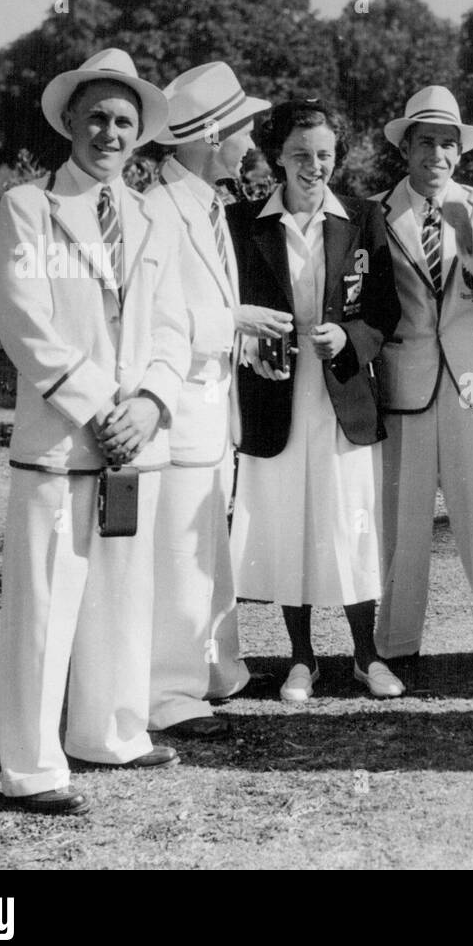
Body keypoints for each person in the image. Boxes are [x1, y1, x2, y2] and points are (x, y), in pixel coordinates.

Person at [0, 48, 190, 815]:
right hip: (61, 441)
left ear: (140, 136)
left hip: (133, 440)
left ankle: (110, 731)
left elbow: (173, 329)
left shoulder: (150, 215)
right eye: (98, 118)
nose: (109, 133)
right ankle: (33, 767)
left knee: (122, 595)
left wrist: (148, 406)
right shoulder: (28, 207)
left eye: (124, 122)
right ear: (70, 121)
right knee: (44, 603)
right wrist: (100, 406)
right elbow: (25, 325)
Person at [227, 95, 403, 701]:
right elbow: (227, 307)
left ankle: (366, 655)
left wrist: (348, 336)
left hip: (343, 396)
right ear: (277, 155)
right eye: (301, 154)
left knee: (350, 523)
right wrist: (246, 340)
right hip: (274, 396)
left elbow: (386, 313)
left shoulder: (362, 217)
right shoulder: (241, 224)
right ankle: (300, 660)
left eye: (324, 154)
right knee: (288, 524)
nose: (314, 166)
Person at [142, 62, 288, 740]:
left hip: (213, 411)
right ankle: (169, 694)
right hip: (178, 415)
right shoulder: (156, 210)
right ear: (208, 134)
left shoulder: (204, 202)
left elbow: (208, 306)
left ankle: (217, 667)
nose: (253, 135)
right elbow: (154, 318)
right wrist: (234, 323)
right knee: (178, 553)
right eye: (243, 126)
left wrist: (240, 337)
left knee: (208, 548)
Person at [371, 86, 473, 670]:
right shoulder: (377, 211)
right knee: (400, 520)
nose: (435, 154)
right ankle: (394, 643)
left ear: (460, 153)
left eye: (446, 143)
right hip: (404, 381)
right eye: (424, 142)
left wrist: (469, 236)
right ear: (405, 149)